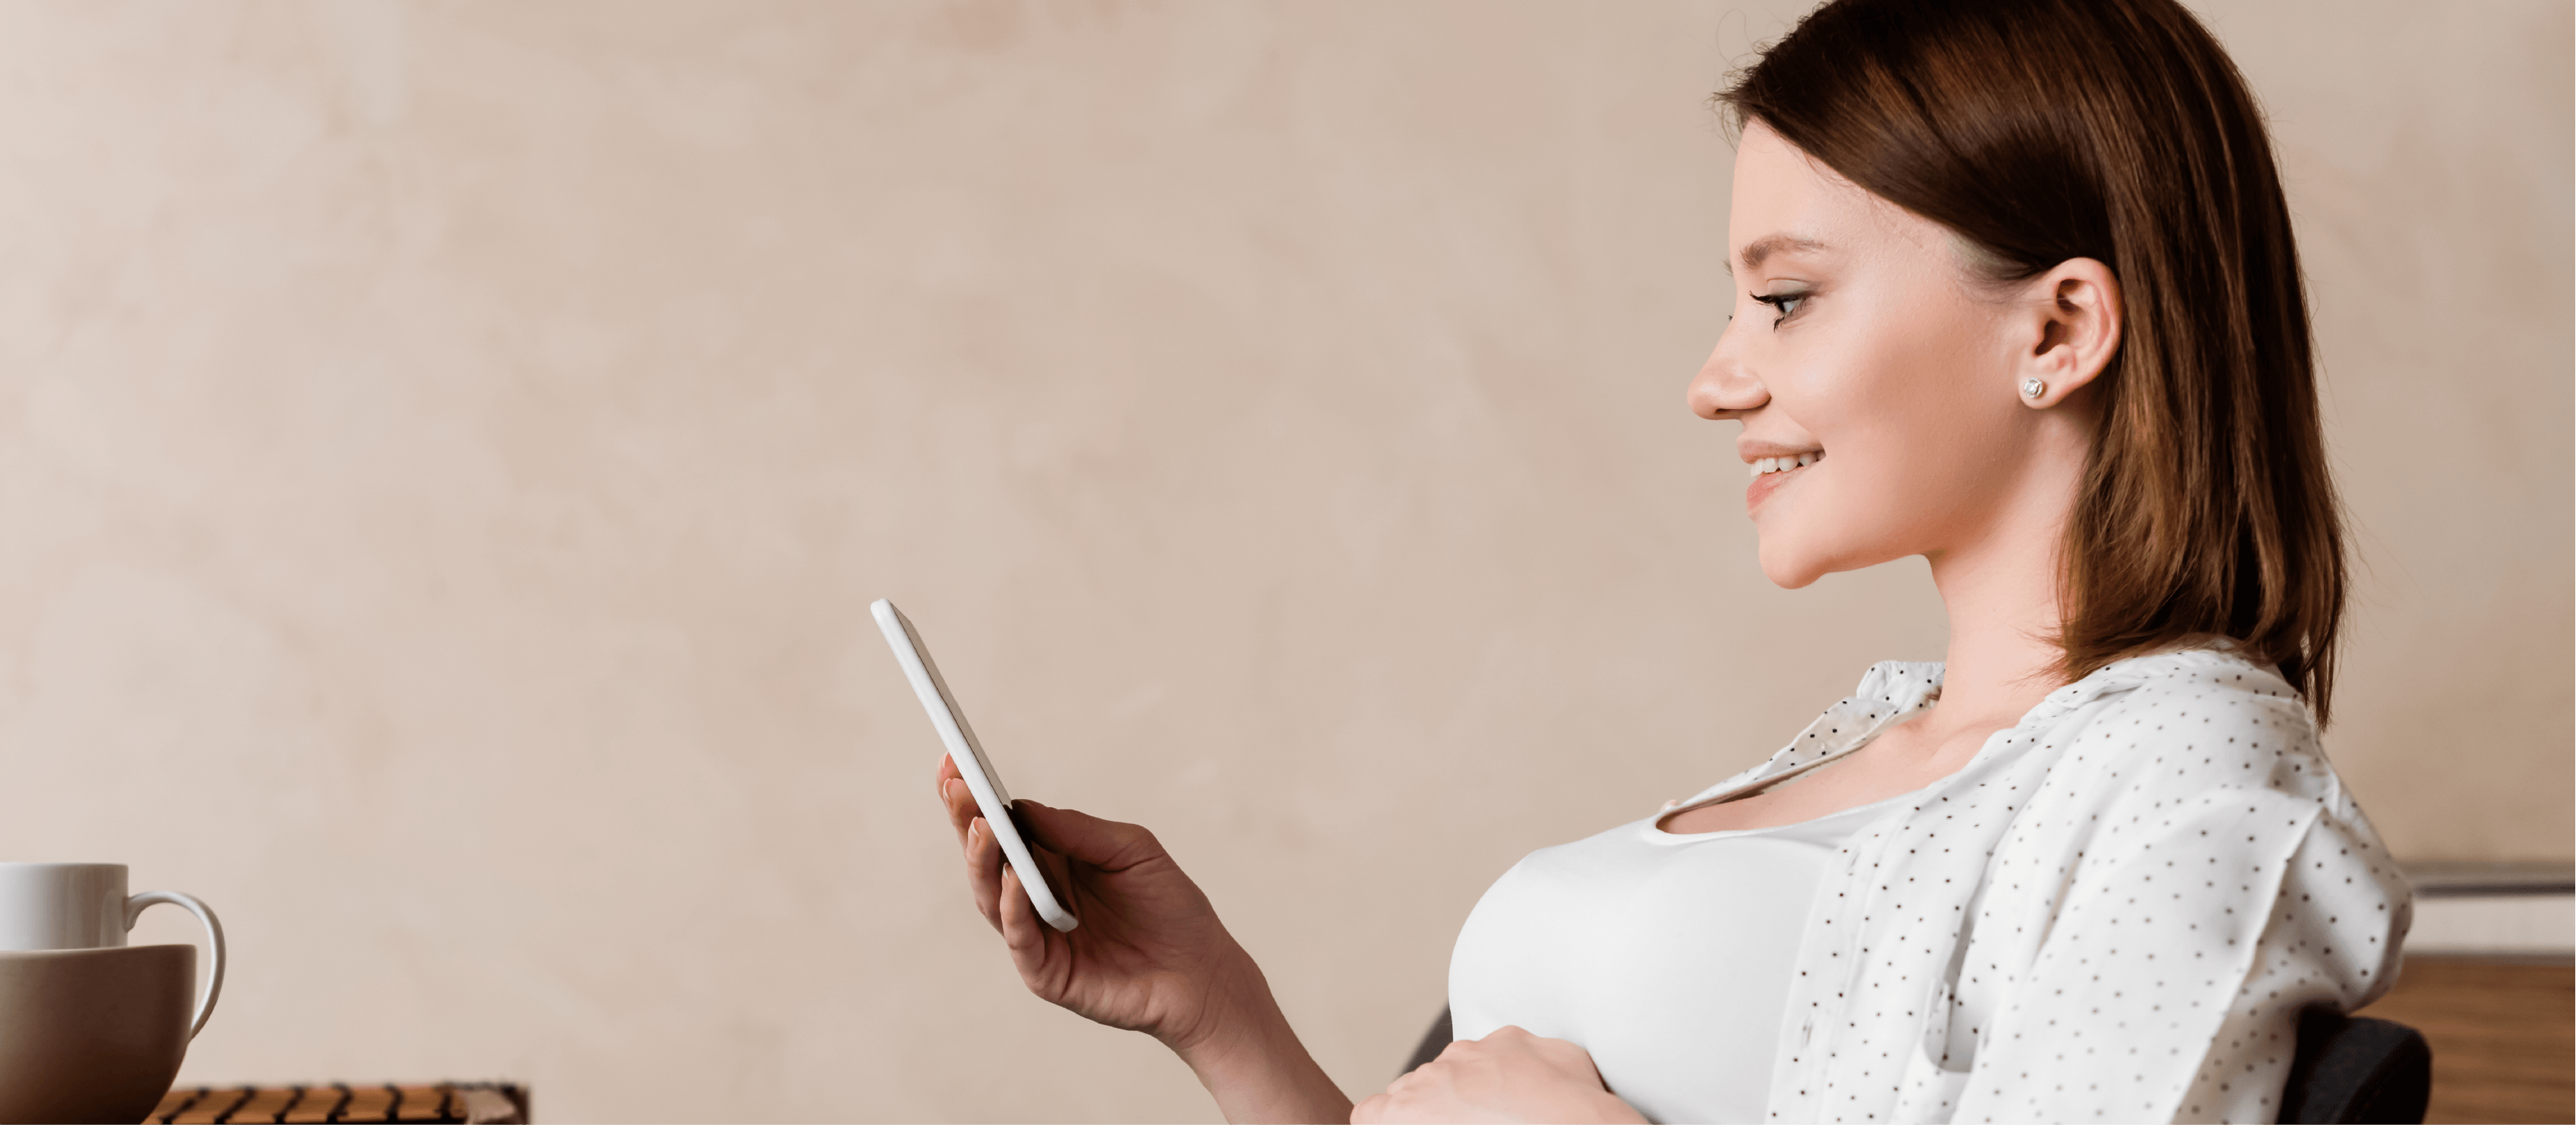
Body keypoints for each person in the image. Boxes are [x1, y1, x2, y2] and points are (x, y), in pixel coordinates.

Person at [931, 0, 2409, 1121]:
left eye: (1783, 298)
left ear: (2056, 331)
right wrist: (1216, 1012)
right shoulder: (1873, 734)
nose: (1714, 379)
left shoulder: (2188, 787)